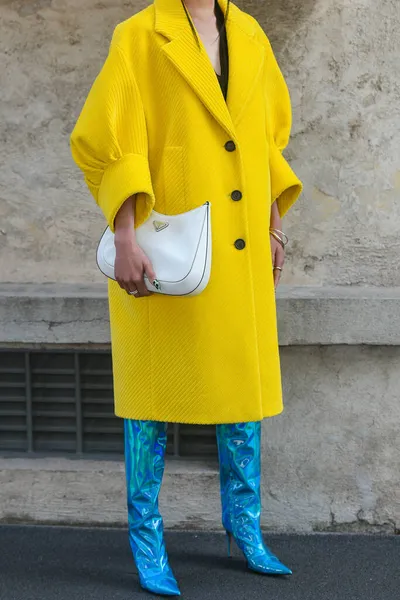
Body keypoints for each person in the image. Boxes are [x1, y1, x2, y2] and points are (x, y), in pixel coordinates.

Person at [70, 0, 303, 595]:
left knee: (240, 393)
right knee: (151, 397)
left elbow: (263, 139)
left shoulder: (249, 32)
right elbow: (109, 138)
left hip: (242, 244)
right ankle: (146, 539)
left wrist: (274, 224)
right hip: (165, 247)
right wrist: (123, 235)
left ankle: (243, 528)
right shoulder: (139, 36)